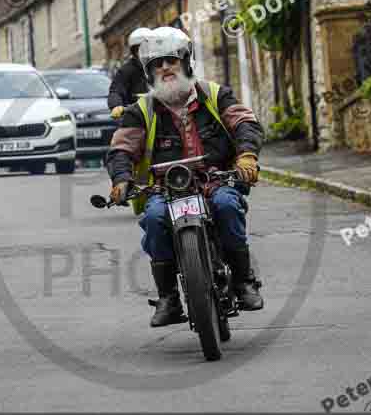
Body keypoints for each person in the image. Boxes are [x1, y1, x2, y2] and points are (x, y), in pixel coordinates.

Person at [106, 26, 265, 327]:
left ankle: (244, 281)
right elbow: (121, 150)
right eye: (157, 64)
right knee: (153, 220)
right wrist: (121, 179)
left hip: (215, 180)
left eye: (171, 60)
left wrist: (246, 155)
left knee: (228, 206)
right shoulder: (140, 110)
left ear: (186, 61)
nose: (165, 67)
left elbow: (246, 123)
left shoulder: (214, 94)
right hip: (165, 190)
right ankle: (168, 297)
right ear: (149, 71)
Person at [108, 28, 152, 120]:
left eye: (147, 49)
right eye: (140, 50)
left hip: (164, 116)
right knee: (121, 135)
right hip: (136, 118)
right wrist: (116, 105)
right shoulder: (126, 70)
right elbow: (116, 90)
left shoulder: (161, 65)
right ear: (134, 52)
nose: (144, 54)